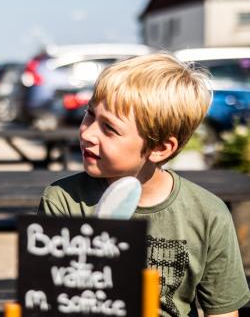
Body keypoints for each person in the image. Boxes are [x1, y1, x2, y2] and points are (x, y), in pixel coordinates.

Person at [38, 53, 250, 316]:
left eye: (109, 129)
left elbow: (222, 311)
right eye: (90, 115)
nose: (88, 133)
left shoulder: (209, 214)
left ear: (160, 148)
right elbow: (54, 302)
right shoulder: (63, 200)